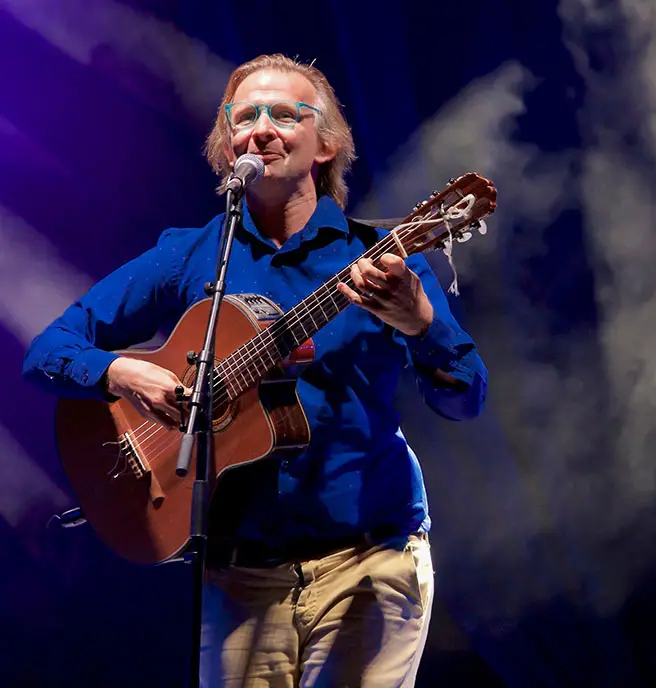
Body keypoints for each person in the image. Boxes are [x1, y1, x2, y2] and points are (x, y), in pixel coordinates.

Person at [21, 53, 488, 687]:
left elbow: (466, 399)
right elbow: (48, 349)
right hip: (237, 576)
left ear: (325, 145)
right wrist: (126, 375)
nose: (261, 128)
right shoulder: (189, 254)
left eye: (284, 114)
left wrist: (421, 323)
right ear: (226, 143)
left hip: (370, 560)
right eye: (244, 117)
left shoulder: (380, 259)